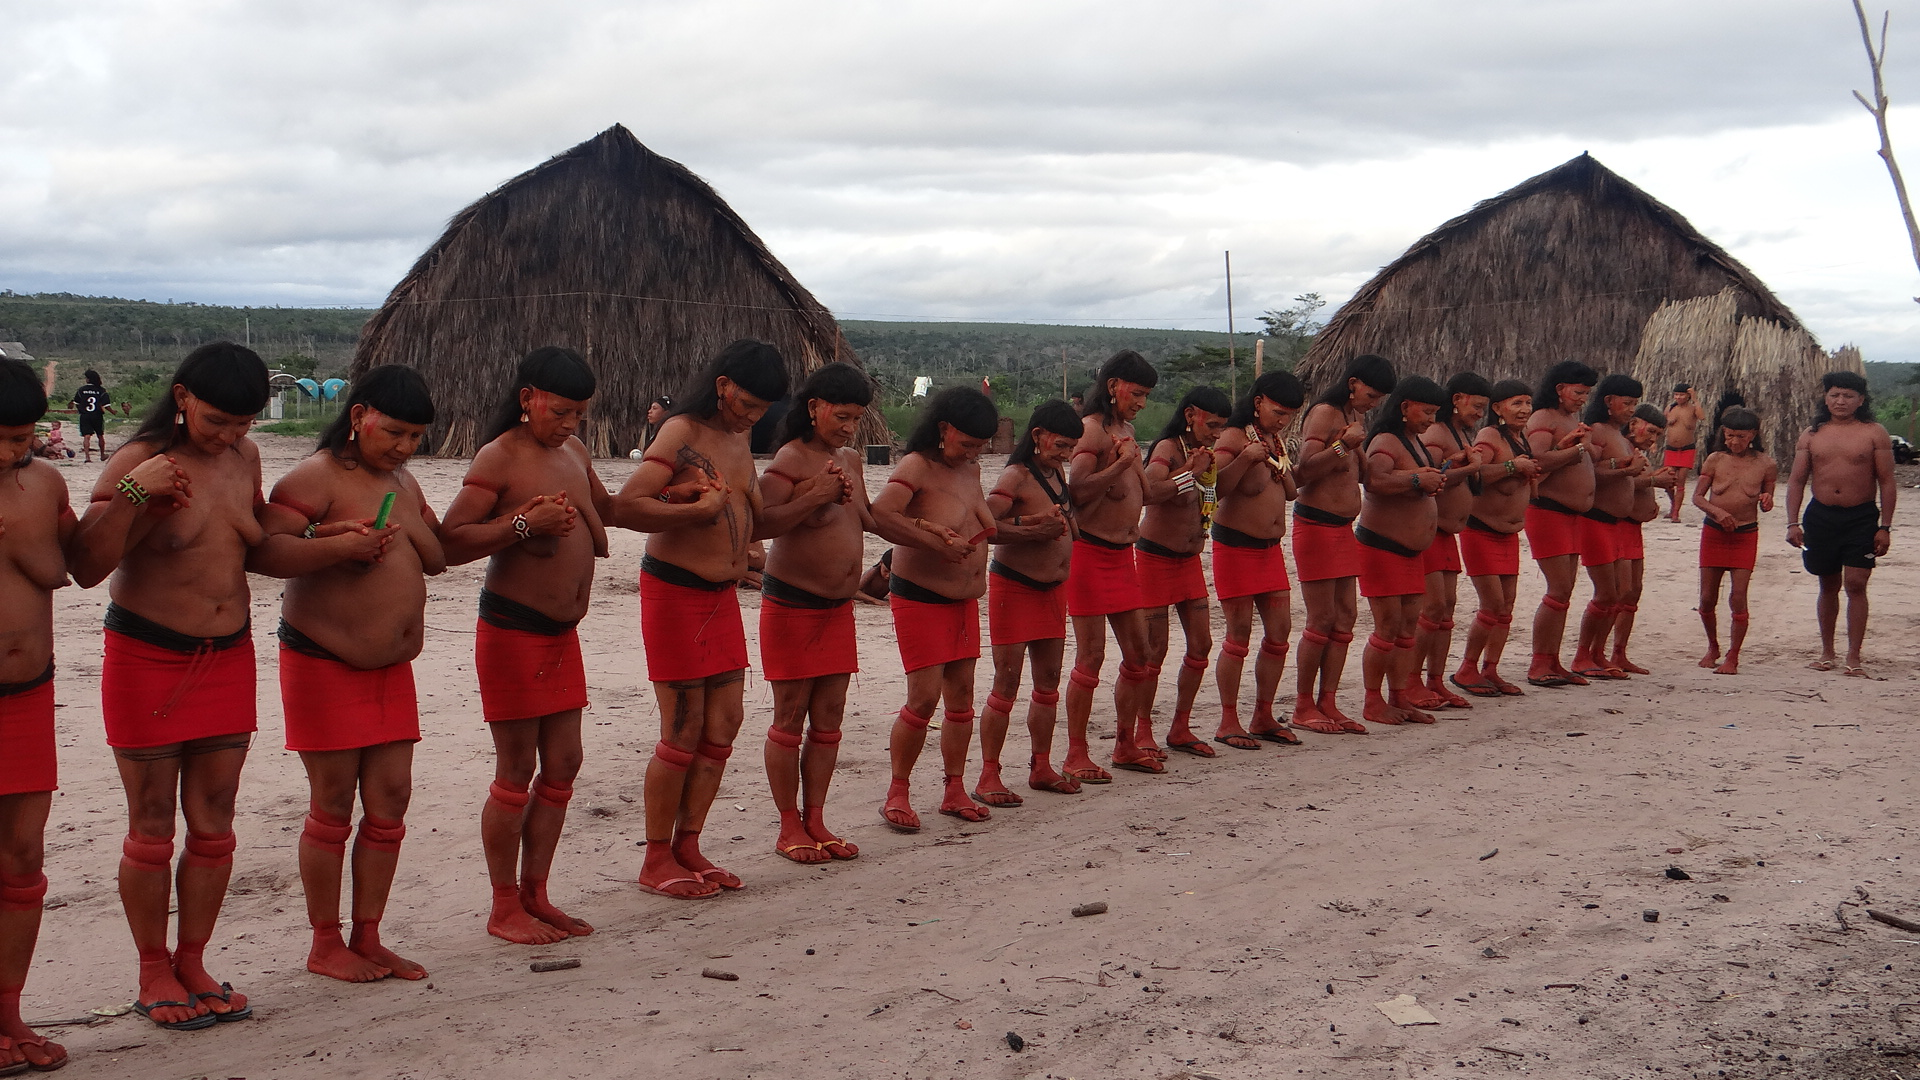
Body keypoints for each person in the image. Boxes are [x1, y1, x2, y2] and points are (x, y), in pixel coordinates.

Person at [67, 342, 271, 1029]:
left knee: (215, 827)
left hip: (229, 657)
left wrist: (328, 539)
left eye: (243, 423)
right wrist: (133, 496)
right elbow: (87, 566)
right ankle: (153, 968)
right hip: (148, 660)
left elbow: (256, 538)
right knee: (152, 829)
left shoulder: (244, 458)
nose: (230, 435)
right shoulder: (138, 462)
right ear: (181, 397)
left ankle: (193, 960)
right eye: (217, 420)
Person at [251, 366, 444, 981]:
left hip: (392, 671)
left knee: (390, 801)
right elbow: (264, 551)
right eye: (393, 431)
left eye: (415, 436)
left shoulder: (404, 482)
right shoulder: (315, 476)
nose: (404, 446)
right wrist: (336, 544)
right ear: (358, 416)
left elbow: (437, 556)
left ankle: (368, 935)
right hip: (323, 660)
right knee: (332, 804)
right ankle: (324, 942)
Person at [440, 347, 610, 936]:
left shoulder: (573, 451)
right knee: (515, 769)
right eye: (560, 411)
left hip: (564, 635)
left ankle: (537, 892)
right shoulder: (499, 456)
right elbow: (448, 542)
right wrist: (520, 527)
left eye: (578, 415)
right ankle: (502, 903)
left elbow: (607, 508)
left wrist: (683, 499)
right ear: (526, 399)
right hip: (514, 630)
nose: (568, 424)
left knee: (564, 762)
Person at [611, 340, 788, 895]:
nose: (752, 418)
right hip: (675, 593)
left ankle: (689, 843)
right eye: (746, 406)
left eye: (762, 411)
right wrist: (693, 508)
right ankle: (656, 858)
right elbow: (626, 506)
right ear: (723, 385)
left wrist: (814, 500)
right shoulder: (680, 431)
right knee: (682, 729)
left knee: (724, 724)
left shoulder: (739, 440)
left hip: (722, 599)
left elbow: (752, 519)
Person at [753, 362, 875, 863]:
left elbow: (868, 518)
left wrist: (929, 532)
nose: (848, 427)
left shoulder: (850, 458)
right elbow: (762, 522)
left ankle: (817, 819)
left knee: (829, 720)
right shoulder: (790, 458)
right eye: (841, 416)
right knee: (789, 717)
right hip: (792, 606)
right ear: (814, 408)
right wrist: (816, 494)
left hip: (837, 611)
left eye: (856, 418)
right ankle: (788, 826)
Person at [867, 387, 999, 829]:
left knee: (961, 701)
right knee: (923, 700)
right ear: (943, 429)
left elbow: (985, 524)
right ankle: (897, 792)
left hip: (963, 602)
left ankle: (954, 788)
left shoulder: (971, 470)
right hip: (921, 596)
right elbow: (881, 514)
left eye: (980, 446)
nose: (973, 453)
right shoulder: (916, 465)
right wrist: (932, 540)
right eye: (967, 444)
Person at [0, 359, 75, 1070]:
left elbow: (67, 569)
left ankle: (10, 1013)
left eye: (21, 439)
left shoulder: (45, 483)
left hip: (27, 693)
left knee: (23, 862)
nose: (9, 453)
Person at [1063, 351, 1163, 776]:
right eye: (1135, 393)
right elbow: (1077, 490)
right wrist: (1121, 462)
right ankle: (1076, 753)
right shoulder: (1091, 431)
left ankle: (1125, 743)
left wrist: (1191, 475)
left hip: (1124, 558)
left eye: (1145, 396)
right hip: (1089, 554)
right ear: (1112, 387)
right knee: (1091, 656)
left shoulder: (1127, 431)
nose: (1140, 402)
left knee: (1138, 655)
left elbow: (1149, 493)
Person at [1291, 353, 1396, 734]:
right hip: (1316, 525)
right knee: (1320, 619)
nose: (1373, 403)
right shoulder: (1323, 412)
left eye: (1378, 399)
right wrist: (1342, 447)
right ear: (1352, 384)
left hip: (1341, 529)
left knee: (1346, 618)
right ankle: (1303, 706)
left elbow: (1363, 473)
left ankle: (1328, 702)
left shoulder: (1355, 417)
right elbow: (1302, 472)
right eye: (1370, 394)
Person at [981, 401, 1081, 795]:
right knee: (1006, 683)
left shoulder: (1056, 473)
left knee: (1048, 682)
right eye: (1060, 445)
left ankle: (1041, 765)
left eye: (1071, 447)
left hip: (1053, 591)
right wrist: (1027, 526)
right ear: (1037, 436)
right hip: (1016, 586)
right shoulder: (1016, 475)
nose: (1066, 454)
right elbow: (985, 522)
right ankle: (990, 774)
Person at [1207, 373, 1307, 746]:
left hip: (1270, 552)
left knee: (1279, 635)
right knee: (1238, 637)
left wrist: (1280, 465)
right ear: (1258, 401)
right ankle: (1228, 721)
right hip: (1235, 548)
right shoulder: (1233, 438)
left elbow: (1293, 491)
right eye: (1278, 412)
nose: (1284, 421)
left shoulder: (1274, 440)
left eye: (1290, 415)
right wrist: (1247, 459)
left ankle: (1263, 715)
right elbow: (1214, 489)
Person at [1135, 387, 1230, 755]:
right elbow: (1149, 491)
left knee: (1202, 644)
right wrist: (1191, 472)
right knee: (1154, 650)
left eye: (1223, 427)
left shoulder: (1204, 452)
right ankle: (1143, 730)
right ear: (1191, 415)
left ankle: (1180, 726)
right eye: (1213, 425)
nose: (1217, 433)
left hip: (1188, 561)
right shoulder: (1167, 449)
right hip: (1156, 559)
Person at [1785, 371, 1896, 676]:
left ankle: (1854, 656)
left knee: (1856, 583)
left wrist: (1884, 527)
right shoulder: (1811, 434)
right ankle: (1826, 652)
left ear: (1860, 400)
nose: (1841, 401)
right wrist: (1792, 523)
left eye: (1848, 395)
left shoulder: (1875, 433)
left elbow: (1887, 482)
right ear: (1826, 397)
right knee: (1828, 583)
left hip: (1860, 517)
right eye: (1835, 395)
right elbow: (1796, 481)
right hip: (1821, 516)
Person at [1355, 377, 1448, 725]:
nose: (1430, 420)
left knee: (1407, 629)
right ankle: (1372, 701)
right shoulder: (1385, 441)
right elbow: (1374, 481)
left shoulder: (1413, 441)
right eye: (1427, 412)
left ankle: (1399, 697)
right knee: (1387, 627)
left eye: (1435, 413)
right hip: (1383, 548)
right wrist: (1415, 480)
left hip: (1410, 552)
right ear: (1405, 407)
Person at [1451, 380, 1541, 697]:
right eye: (1517, 403)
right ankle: (1467, 669)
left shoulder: (1521, 439)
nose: (1525, 409)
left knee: (1506, 607)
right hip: (1481, 530)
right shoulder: (1489, 436)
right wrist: (1512, 466)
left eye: (1528, 403)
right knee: (1492, 605)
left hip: (1508, 535)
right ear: (1498, 408)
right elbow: (1477, 473)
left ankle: (1490, 670)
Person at [1415, 372, 1491, 709]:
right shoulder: (1436, 432)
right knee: (1431, 609)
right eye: (1476, 406)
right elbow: (1427, 475)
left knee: (1446, 611)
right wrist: (1467, 466)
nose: (1479, 413)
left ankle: (1434, 680)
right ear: (1457, 399)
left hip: (1448, 535)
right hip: (1430, 532)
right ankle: (1410, 681)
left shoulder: (1460, 432)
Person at [1522, 360, 1599, 688]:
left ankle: (1552, 660)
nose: (1582, 399)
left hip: (1570, 516)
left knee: (1564, 591)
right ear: (1559, 389)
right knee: (1557, 590)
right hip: (1547, 512)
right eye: (1578, 392)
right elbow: (1536, 463)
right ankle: (1540, 662)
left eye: (1586, 394)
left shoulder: (1570, 418)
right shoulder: (1542, 418)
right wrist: (1574, 449)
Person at [1568, 374, 1645, 681]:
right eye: (1627, 403)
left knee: (1619, 593)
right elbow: (1590, 469)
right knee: (1605, 593)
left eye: (1635, 404)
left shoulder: (1617, 434)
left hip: (1614, 524)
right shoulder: (1598, 431)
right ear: (1610, 403)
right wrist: (1624, 468)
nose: (1631, 410)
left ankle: (1598, 653)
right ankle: (1582, 654)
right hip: (1595, 521)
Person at [1694, 405, 1777, 675]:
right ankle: (1713, 646)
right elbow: (1697, 497)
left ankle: (1733, 655)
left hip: (1745, 534)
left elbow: (1767, 502)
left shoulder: (1766, 464)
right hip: (1714, 533)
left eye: (1740, 436)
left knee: (1738, 597)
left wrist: (1766, 500)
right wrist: (1716, 512)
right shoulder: (1715, 460)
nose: (1734, 442)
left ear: (1752, 434)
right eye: (1729, 436)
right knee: (1707, 598)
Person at [1601, 404, 1670, 675]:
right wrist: (1654, 482)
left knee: (1633, 591)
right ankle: (1597, 652)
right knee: (1618, 591)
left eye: (1657, 435)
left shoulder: (1636, 452)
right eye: (1650, 431)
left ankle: (1619, 652)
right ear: (1634, 425)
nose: (1653, 438)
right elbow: (1619, 481)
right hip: (1619, 525)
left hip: (1634, 527)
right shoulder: (1619, 449)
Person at [1661, 383, 1707, 521]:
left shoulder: (1693, 408)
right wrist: (1653, 443)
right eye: (1676, 395)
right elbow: (1660, 425)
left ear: (1687, 396)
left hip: (1687, 449)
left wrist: (1695, 399)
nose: (1678, 397)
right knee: (1668, 481)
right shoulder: (1670, 408)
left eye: (1681, 395)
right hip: (1671, 449)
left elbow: (1702, 416)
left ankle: (1675, 513)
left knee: (1680, 481)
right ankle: (1673, 504)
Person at [71, 368, 120, 463]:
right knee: (100, 435)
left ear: (88, 379)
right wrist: (112, 411)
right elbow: (106, 405)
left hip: (85, 416)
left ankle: (87, 457)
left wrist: (81, 410)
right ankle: (102, 455)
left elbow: (76, 402)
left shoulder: (81, 390)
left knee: (86, 436)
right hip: (97, 415)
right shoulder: (101, 390)